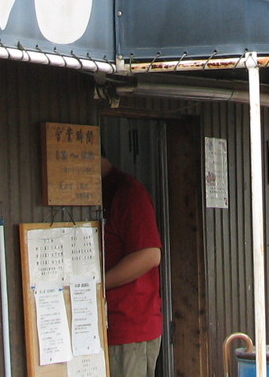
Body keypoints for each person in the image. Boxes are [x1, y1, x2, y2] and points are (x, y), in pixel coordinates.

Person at [101, 157, 163, 377]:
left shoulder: (127, 192)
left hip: (129, 324)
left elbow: (150, 255)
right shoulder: (96, 191)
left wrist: (98, 284)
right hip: (101, 324)